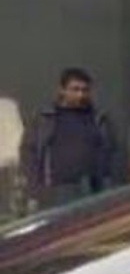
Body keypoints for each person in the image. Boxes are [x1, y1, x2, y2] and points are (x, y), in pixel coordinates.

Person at [20, 68, 114, 211]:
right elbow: (29, 152)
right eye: (75, 89)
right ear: (62, 90)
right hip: (56, 188)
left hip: (92, 186)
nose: (80, 95)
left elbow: (112, 151)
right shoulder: (45, 118)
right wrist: (34, 189)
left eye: (85, 90)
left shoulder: (99, 118)